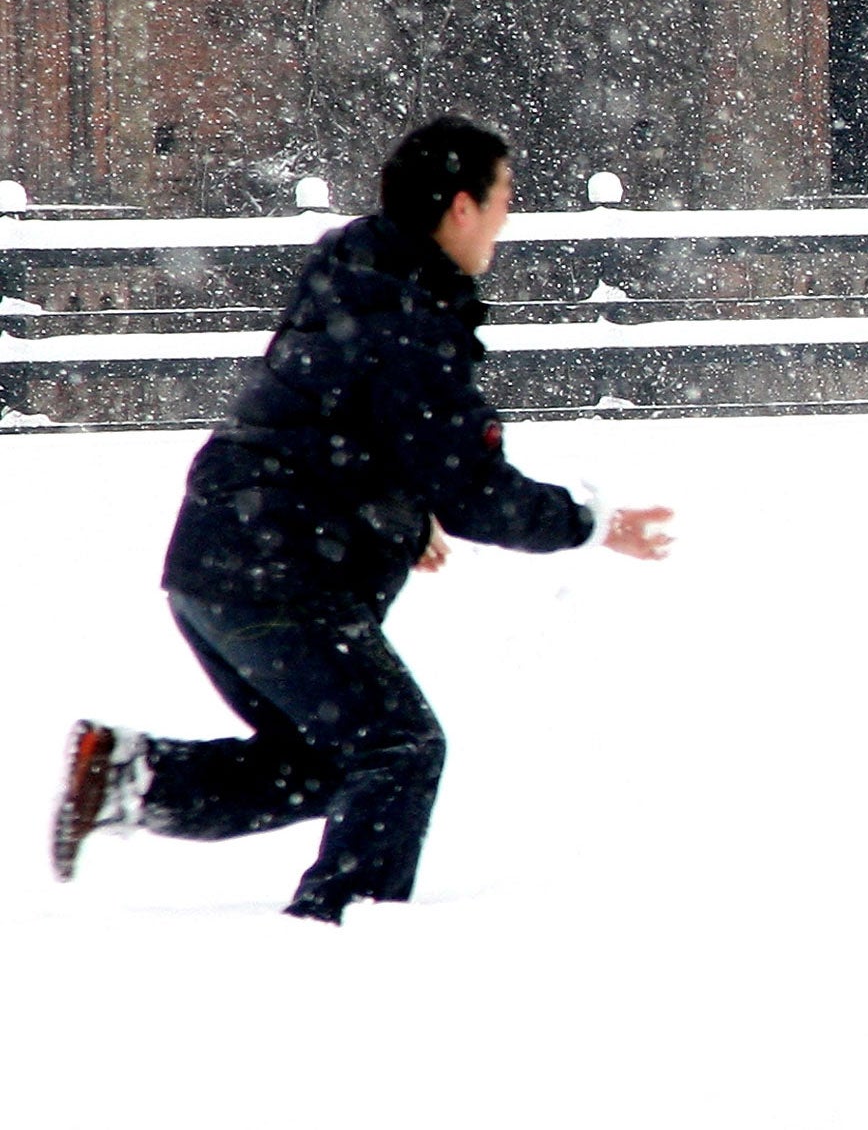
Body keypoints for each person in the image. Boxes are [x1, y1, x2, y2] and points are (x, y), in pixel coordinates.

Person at [49, 116, 675, 922]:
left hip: (219, 552)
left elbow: (330, 418)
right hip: (277, 569)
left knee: (328, 760)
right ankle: (342, 936)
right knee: (400, 748)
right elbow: (473, 489)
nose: (508, 216)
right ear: (459, 207)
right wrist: (591, 522)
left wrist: (394, 519)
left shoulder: (356, 268)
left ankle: (131, 776)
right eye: (504, 195)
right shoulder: (411, 319)